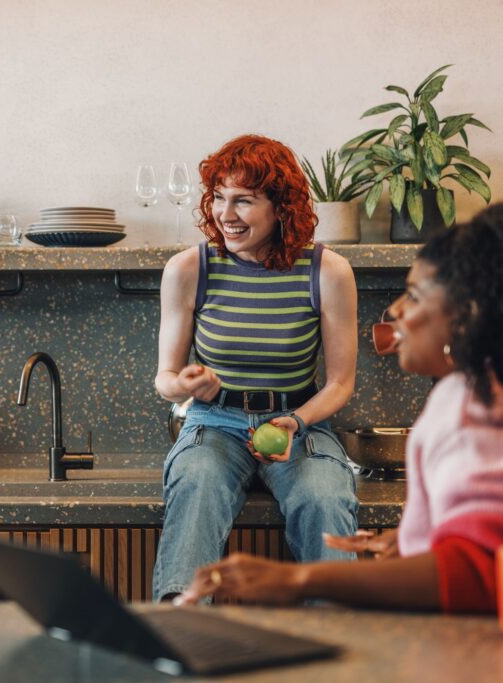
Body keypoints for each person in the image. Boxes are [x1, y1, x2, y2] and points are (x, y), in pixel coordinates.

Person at [177, 200, 503, 613]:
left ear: (467, 316)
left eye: (414, 296)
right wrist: (416, 542)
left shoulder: (472, 413)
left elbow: (483, 570)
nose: (394, 311)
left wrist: (298, 578)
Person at [152, 134, 360, 603]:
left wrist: (297, 421)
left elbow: (340, 382)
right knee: (197, 486)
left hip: (300, 424)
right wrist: (184, 383)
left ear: (280, 207)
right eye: (219, 198)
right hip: (214, 424)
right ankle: (182, 634)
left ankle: (343, 648)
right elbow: (165, 378)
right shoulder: (190, 269)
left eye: (243, 200)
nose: (226, 214)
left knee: (324, 499)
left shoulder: (326, 272)